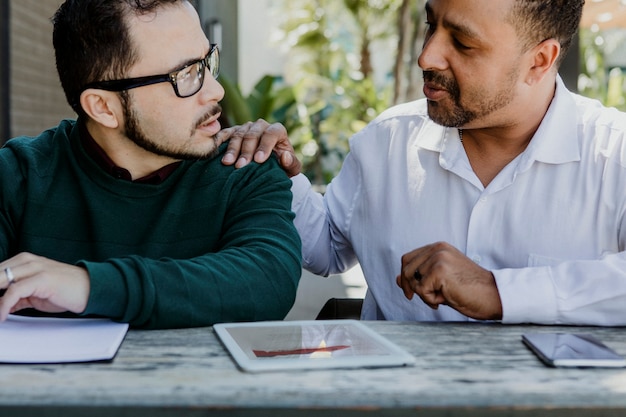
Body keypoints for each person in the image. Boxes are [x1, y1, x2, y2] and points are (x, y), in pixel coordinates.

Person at [222, 0, 626, 326]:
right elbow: (328, 247)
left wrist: (497, 291)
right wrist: (285, 176)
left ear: (539, 60)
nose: (427, 56)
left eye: (463, 43)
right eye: (431, 25)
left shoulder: (614, 154)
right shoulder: (386, 141)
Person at [0, 0, 302, 329]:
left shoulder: (245, 163)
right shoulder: (17, 176)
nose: (215, 91)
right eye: (185, 75)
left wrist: (90, 285)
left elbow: (268, 281)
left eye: (206, 62)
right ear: (103, 107)